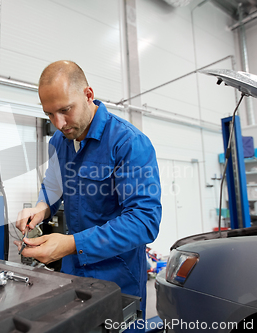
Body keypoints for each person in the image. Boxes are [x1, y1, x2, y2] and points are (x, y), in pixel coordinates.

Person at [15, 60, 162, 321]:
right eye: (49, 114)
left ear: (88, 95)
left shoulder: (128, 143)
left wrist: (72, 244)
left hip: (117, 277)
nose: (58, 123)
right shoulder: (61, 140)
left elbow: (144, 222)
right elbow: (53, 185)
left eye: (65, 110)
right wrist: (40, 208)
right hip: (73, 272)